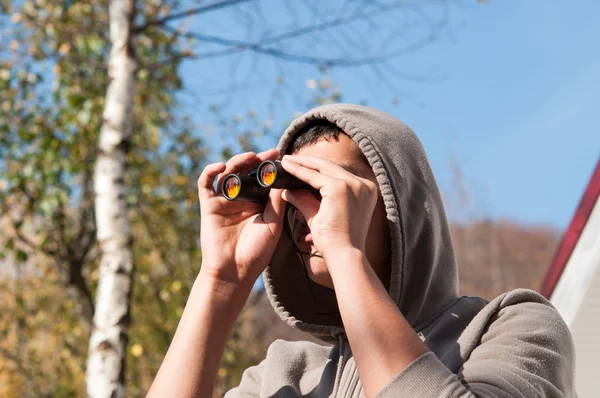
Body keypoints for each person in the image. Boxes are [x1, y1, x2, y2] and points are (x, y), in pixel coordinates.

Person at [148, 104, 576, 398]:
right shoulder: (285, 375)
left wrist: (345, 254)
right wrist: (220, 281)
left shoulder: (510, 326)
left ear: (397, 203)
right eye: (295, 190)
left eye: (327, 186)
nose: (306, 210)